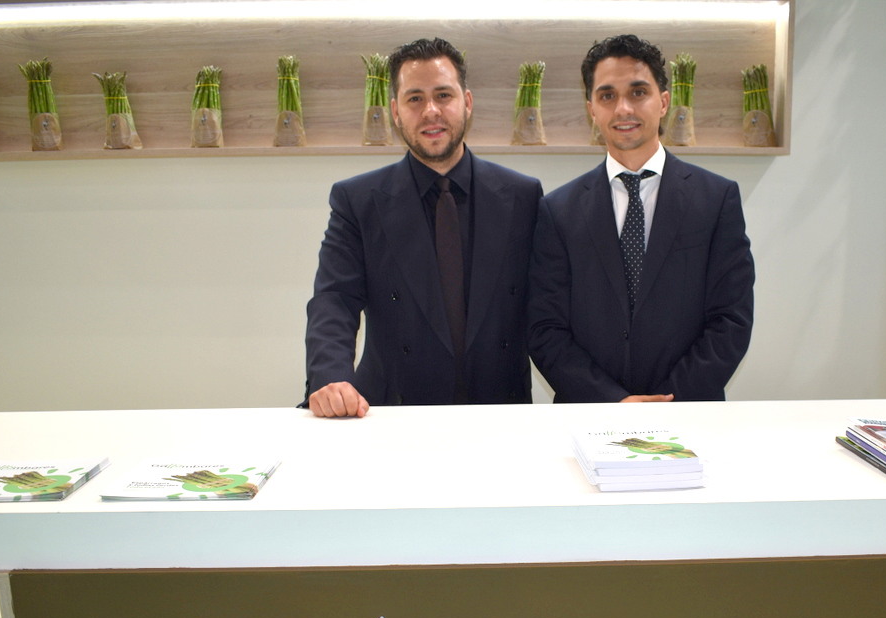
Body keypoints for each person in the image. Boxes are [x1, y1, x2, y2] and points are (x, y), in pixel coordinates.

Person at [304, 38, 543, 417]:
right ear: (396, 112)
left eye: (443, 95)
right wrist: (331, 377)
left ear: (467, 102)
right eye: (415, 99)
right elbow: (334, 299)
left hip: (501, 412)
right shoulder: (358, 200)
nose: (431, 111)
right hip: (391, 412)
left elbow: (548, 310)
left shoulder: (522, 196)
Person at [527, 34, 755, 403]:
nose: (623, 109)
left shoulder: (716, 199)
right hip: (591, 412)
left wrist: (668, 401)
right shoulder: (558, 210)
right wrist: (613, 401)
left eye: (638, 92)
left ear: (663, 102)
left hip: (688, 411)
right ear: (591, 109)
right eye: (607, 96)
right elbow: (545, 327)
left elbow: (731, 319)